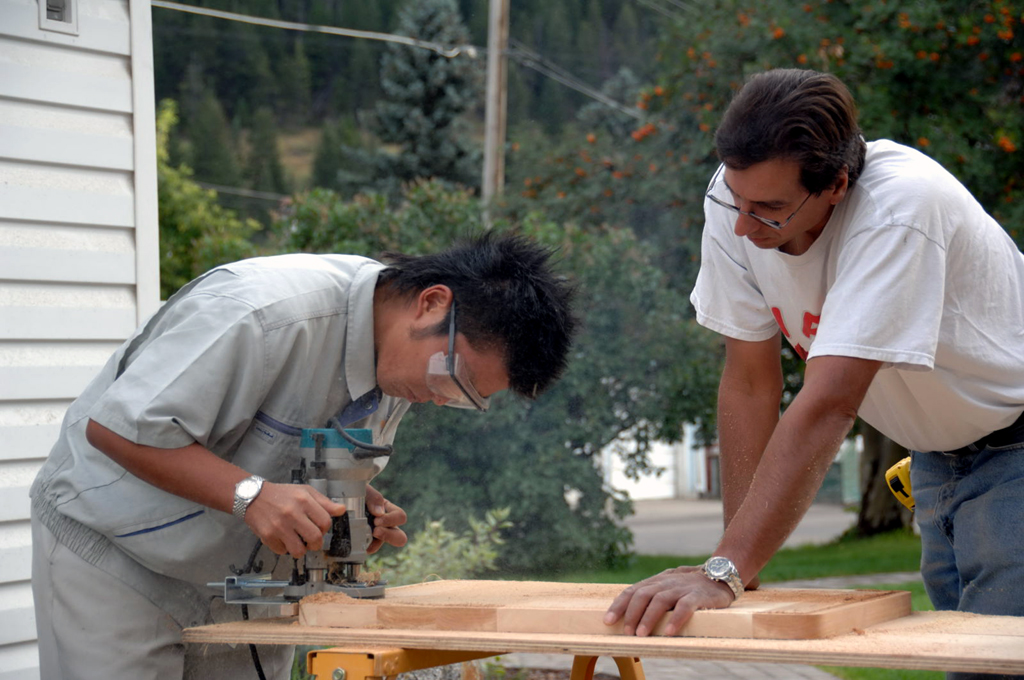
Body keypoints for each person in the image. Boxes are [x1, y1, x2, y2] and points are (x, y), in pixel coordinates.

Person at [605, 67, 1024, 672]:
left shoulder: (900, 209)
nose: (744, 226)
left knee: (996, 662)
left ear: (836, 185)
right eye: (737, 200)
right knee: (971, 662)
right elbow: (750, 382)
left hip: (1014, 445)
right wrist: (736, 567)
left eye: (769, 210)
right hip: (939, 458)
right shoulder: (737, 198)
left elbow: (829, 402)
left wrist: (725, 569)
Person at [31, 231, 577, 680]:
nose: (442, 397)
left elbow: (289, 443)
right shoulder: (262, 312)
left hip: (238, 581)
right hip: (118, 559)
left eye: (465, 398)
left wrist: (354, 502)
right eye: (451, 378)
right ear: (432, 303)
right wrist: (252, 495)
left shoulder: (402, 364)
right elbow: (116, 428)